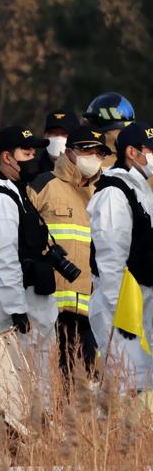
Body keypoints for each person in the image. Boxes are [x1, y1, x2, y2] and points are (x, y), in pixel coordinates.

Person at [0, 126, 59, 406]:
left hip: (32, 301)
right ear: (7, 157)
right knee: (7, 391)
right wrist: (16, 310)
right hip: (10, 309)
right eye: (27, 152)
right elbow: (3, 258)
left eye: (35, 152)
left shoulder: (19, 194)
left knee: (36, 387)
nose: (33, 157)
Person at [33, 124, 103, 376]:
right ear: (70, 151)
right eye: (87, 150)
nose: (93, 157)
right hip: (50, 306)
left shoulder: (101, 192)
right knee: (51, 379)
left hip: (90, 310)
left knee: (88, 385)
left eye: (98, 152)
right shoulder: (43, 185)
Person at [88, 122, 153, 390]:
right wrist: (120, 316)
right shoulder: (114, 192)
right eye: (150, 149)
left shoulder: (139, 187)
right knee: (130, 386)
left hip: (139, 305)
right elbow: (111, 259)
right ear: (131, 151)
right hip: (122, 310)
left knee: (142, 385)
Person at [29, 111, 77, 190]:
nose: (58, 139)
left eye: (65, 134)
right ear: (45, 136)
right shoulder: (32, 173)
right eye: (53, 133)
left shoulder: (85, 174)